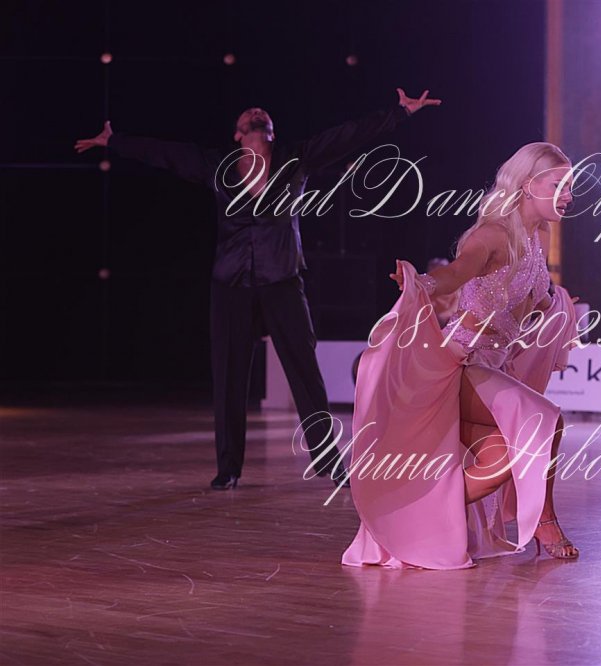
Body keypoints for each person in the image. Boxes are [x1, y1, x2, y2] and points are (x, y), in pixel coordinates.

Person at [74, 88, 442, 490]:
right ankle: (228, 468)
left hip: (282, 280)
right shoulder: (218, 167)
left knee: (304, 371)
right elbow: (168, 154)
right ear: (238, 134)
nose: (255, 113)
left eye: (261, 114)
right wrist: (115, 141)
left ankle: (328, 461)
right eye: (248, 115)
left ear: (270, 131)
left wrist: (399, 113)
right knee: (229, 377)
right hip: (230, 285)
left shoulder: (295, 160)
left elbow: (346, 136)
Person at [342, 142, 579, 569]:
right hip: (462, 362)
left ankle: (417, 521)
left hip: (494, 366)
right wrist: (423, 284)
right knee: (543, 419)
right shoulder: (492, 235)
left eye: (570, 186)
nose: (568, 195)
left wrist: (555, 305)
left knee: (502, 458)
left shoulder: (537, 237)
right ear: (528, 186)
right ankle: (545, 522)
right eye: (558, 185)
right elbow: (456, 272)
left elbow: (533, 296)